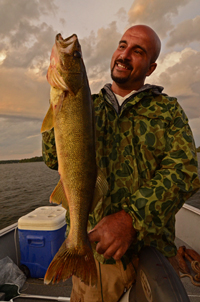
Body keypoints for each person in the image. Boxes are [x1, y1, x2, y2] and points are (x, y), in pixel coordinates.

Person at [42, 25, 200, 302]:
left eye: (137, 51)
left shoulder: (168, 110)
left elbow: (184, 172)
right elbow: (53, 158)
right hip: (94, 256)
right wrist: (55, 100)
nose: (124, 54)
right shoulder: (87, 105)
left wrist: (130, 220)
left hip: (150, 253)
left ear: (151, 67)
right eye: (122, 45)